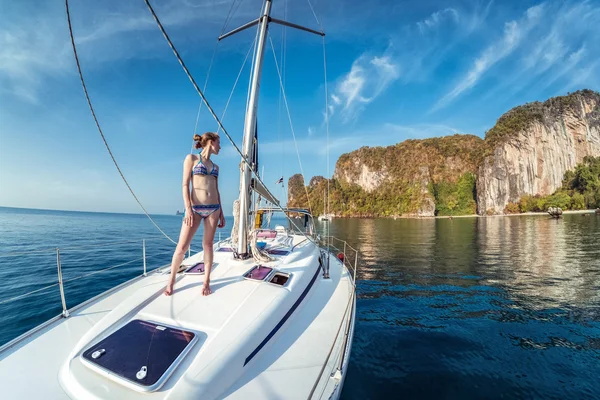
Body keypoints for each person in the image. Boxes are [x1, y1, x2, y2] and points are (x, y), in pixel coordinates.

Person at [164, 132, 225, 297]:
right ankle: (171, 281)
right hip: (195, 208)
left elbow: (216, 190)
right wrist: (188, 208)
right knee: (182, 247)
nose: (220, 146)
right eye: (219, 143)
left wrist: (222, 212)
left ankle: (206, 281)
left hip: (214, 209)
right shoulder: (191, 159)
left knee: (208, 245)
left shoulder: (216, 167)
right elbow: (184, 185)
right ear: (211, 142)